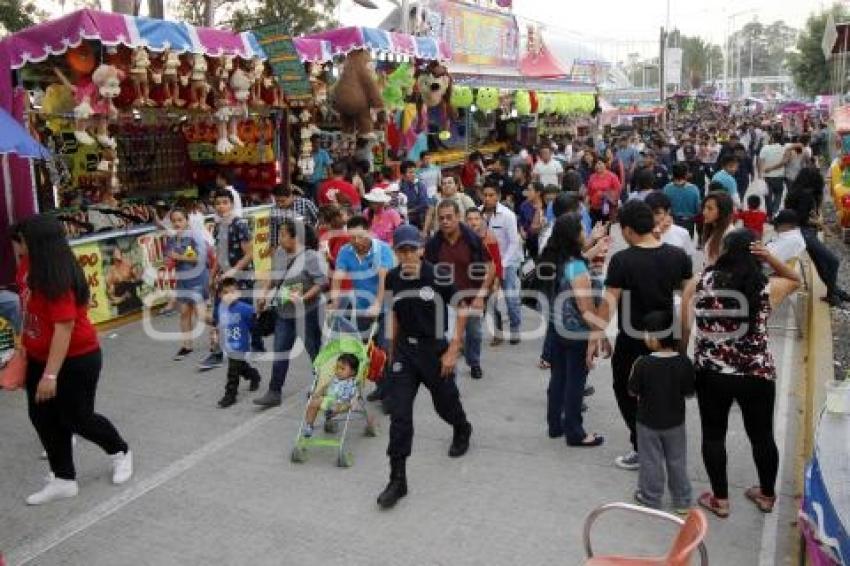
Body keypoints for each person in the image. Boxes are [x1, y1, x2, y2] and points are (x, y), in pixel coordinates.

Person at [681, 230, 801, 518]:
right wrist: (770, 256)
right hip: (756, 374)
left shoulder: (701, 282)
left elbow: (684, 326)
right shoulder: (764, 288)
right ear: (754, 253)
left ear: (724, 251)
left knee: (713, 436)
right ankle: (767, 495)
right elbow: (796, 279)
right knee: (762, 436)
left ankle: (720, 500)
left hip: (711, 374)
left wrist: (683, 358)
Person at [18, 215, 132, 505]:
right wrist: (24, 347)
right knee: (43, 417)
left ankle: (120, 452)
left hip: (77, 359)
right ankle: (63, 478)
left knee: (77, 417)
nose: (17, 246)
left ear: (36, 243)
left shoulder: (56, 276)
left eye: (21, 240)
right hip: (38, 356)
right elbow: (28, 311)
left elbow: (64, 327)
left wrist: (50, 375)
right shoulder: (26, 267)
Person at [588, 200, 693, 471]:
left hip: (632, 341)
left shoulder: (623, 260)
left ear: (626, 230)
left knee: (626, 391)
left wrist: (596, 335)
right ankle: (667, 448)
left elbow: (609, 302)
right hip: (667, 339)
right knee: (666, 395)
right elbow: (689, 298)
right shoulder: (677, 256)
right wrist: (684, 337)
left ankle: (641, 446)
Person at [377, 224, 473, 509]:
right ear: (395, 252)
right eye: (401, 250)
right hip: (405, 352)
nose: (407, 255)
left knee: (445, 404)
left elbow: (462, 309)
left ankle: (461, 428)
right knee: (400, 415)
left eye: (411, 249)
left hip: (434, 349)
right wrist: (391, 352)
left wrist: (454, 350)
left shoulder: (437, 275)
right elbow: (394, 312)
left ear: (420, 249)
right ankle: (397, 479)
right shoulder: (393, 277)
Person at [542, 214, 605, 447]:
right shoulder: (576, 266)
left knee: (558, 379)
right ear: (573, 236)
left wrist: (593, 243)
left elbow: (579, 259)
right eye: (581, 230)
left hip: (558, 328)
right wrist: (599, 333)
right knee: (575, 383)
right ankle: (575, 432)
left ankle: (555, 425)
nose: (584, 233)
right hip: (576, 332)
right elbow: (585, 308)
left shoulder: (557, 259)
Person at [253, 219, 327, 407]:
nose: (280, 239)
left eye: (283, 235)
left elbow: (321, 283)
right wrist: (264, 295)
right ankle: (274, 391)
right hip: (283, 313)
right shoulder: (279, 253)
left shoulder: (311, 257)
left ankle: (323, 388)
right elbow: (274, 276)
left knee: (315, 352)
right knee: (280, 352)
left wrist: (304, 298)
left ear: (297, 238)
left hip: (308, 313)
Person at [628, 310, 694, 514]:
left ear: (656, 338)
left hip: (647, 422)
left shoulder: (643, 363)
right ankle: (682, 500)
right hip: (675, 422)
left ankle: (650, 497)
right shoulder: (684, 362)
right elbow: (689, 392)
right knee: (677, 460)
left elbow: (632, 391)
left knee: (650, 460)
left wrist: (633, 371)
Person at [424, 200, 494, 380]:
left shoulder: (472, 239)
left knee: (474, 333)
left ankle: (474, 361)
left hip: (471, 297)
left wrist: (481, 295)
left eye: (449, 217)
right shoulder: (434, 245)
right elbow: (427, 273)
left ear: (458, 217)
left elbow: (490, 266)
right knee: (450, 340)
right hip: (447, 302)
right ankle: (450, 378)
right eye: (441, 219)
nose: (445, 222)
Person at [330, 216, 394, 405]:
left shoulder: (382, 249)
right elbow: (338, 277)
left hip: (385, 309)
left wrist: (377, 304)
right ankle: (381, 387)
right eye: (352, 237)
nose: (356, 241)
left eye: (360, 237)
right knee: (367, 353)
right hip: (361, 309)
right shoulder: (345, 251)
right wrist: (334, 302)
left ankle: (390, 395)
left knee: (385, 352)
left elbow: (384, 280)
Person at [199, 189, 256, 371]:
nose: (221, 206)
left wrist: (233, 271)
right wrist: (212, 274)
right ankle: (216, 352)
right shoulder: (217, 226)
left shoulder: (240, 224)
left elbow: (249, 254)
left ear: (232, 204)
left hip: (241, 278)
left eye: (225, 202)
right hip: (223, 279)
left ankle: (247, 350)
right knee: (218, 315)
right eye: (218, 203)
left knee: (242, 315)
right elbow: (218, 254)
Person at [785, 168, 850, 306]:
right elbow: (802, 218)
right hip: (806, 232)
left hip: (801, 232)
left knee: (822, 265)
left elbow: (799, 215)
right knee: (833, 262)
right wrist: (818, 222)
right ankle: (832, 294)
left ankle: (835, 292)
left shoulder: (795, 193)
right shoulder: (806, 195)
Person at [481, 182, 522, 344]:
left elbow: (514, 242)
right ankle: (498, 332)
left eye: (491, 195)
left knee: (511, 299)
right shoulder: (478, 213)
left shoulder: (507, 215)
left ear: (497, 196)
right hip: (487, 264)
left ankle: (515, 328)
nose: (487, 198)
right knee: (490, 299)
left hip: (508, 262)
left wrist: (503, 264)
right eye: (485, 195)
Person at [167, 208, 210, 361]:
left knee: (202, 315)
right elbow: (170, 260)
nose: (177, 223)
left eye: (180, 220)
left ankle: (219, 328)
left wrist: (178, 256)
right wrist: (170, 262)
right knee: (184, 313)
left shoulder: (194, 236)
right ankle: (187, 346)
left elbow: (200, 258)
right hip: (182, 279)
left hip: (198, 278)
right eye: (174, 221)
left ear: (187, 220)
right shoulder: (172, 240)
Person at [216, 277, 261, 408]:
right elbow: (219, 324)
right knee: (240, 367)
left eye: (232, 292)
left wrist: (258, 310)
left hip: (240, 344)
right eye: (225, 293)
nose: (229, 296)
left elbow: (255, 322)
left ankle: (230, 394)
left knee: (233, 370)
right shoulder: (220, 308)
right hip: (228, 344)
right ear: (220, 295)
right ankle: (254, 375)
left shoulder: (245, 308)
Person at [465, 208, 504, 346]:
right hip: (470, 280)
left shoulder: (489, 237)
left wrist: (497, 280)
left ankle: (498, 334)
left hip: (489, 278)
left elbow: (497, 261)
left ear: (481, 220)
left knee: (492, 306)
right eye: (469, 219)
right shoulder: (463, 238)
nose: (473, 222)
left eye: (476, 219)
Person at [302, 353, 359, 437]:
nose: (338, 370)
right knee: (313, 403)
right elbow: (325, 388)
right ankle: (309, 425)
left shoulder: (351, 383)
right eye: (337, 367)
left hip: (343, 402)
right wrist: (317, 394)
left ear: (352, 372)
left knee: (338, 405)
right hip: (329, 399)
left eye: (342, 369)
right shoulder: (334, 379)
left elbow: (355, 395)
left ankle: (330, 413)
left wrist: (354, 402)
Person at [645, 192, 696, 259]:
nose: (653, 217)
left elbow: (688, 259)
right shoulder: (641, 233)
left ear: (668, 211)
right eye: (649, 212)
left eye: (657, 213)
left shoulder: (682, 233)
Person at [270, 184, 319, 249]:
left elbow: (319, 220)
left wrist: (315, 234)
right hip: (288, 247)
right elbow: (274, 234)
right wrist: (274, 247)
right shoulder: (274, 210)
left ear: (291, 196)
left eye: (283, 201)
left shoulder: (305, 203)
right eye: (277, 201)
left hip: (308, 244)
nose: (280, 204)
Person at [662, 162, 701, 237]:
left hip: (672, 222)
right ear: (686, 174)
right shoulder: (694, 189)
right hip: (688, 223)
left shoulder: (667, 188)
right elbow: (697, 209)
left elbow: (665, 207)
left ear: (673, 174)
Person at [701, 191, 735, 268]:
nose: (704, 212)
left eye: (710, 209)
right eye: (704, 208)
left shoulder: (729, 235)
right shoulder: (713, 229)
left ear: (722, 211)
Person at [758, 132, 787, 217]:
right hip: (779, 176)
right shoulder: (783, 149)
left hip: (767, 176)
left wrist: (760, 173)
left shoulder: (765, 148)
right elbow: (784, 162)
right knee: (778, 194)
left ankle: (769, 214)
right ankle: (774, 211)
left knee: (768, 196)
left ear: (772, 138)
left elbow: (760, 161)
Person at [399, 160, 432, 233]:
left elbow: (424, 204)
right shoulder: (398, 187)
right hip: (402, 225)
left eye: (414, 172)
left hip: (419, 224)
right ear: (403, 175)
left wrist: (408, 211)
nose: (413, 174)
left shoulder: (420, 186)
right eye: (410, 172)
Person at [586, 157, 622, 223]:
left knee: (606, 228)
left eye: (600, 163)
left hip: (607, 208)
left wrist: (604, 194)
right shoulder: (592, 177)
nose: (597, 166)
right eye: (596, 164)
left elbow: (618, 191)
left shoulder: (612, 176)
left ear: (605, 164)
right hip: (594, 208)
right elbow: (589, 193)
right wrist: (587, 206)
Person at [518, 182, 545, 259]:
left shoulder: (544, 206)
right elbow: (520, 221)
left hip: (541, 239)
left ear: (538, 193)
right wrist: (521, 230)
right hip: (527, 239)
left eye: (530, 190)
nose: (527, 193)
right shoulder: (524, 205)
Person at [308, 134, 333, 199]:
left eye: (318, 142)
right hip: (306, 181)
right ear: (311, 142)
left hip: (318, 181)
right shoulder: (307, 153)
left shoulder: (323, 153)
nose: (317, 144)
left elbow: (329, 167)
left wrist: (330, 181)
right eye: (315, 142)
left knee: (317, 199)